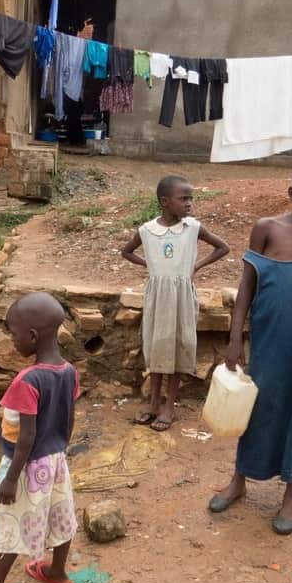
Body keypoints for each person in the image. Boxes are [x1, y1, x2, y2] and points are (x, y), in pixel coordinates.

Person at [208, 158, 292, 535]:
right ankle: (240, 479)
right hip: (267, 335)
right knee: (257, 405)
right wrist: (235, 338)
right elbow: (246, 287)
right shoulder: (266, 229)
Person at [0, 292, 80, 583]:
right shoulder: (69, 371)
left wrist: (10, 478)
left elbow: (26, 436)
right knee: (61, 515)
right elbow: (68, 420)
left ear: (32, 336)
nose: (11, 339)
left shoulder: (27, 380)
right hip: (55, 461)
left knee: (13, 521)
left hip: (25, 466)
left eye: (13, 333)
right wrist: (60, 453)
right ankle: (57, 572)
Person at [121, 175, 229, 431]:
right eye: (184, 199)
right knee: (158, 345)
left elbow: (222, 247)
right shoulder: (147, 231)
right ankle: (153, 402)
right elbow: (126, 251)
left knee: (180, 345)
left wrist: (195, 267)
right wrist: (151, 265)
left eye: (191, 198)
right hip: (158, 296)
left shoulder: (193, 228)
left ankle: (170, 404)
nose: (190, 203)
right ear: (165, 202)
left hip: (181, 295)